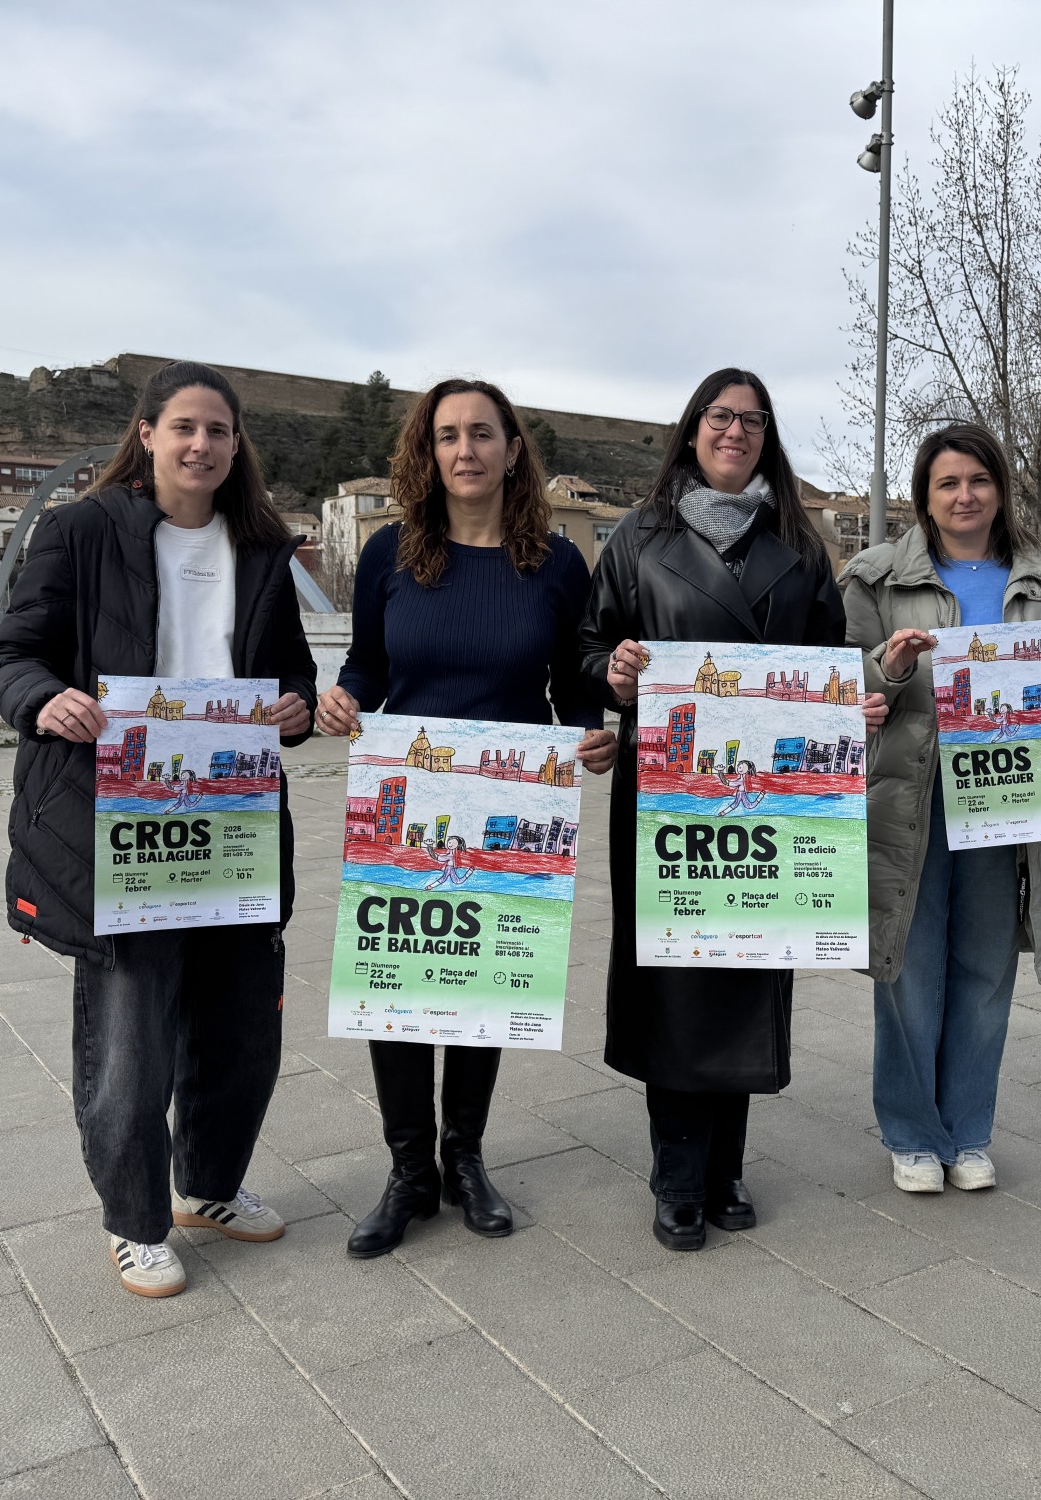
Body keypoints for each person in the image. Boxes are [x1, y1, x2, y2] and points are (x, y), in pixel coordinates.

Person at [0, 361, 317, 1297]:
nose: (201, 445)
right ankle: (133, 1221)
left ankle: (208, 1188)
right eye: (184, 427)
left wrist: (293, 707)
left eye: (218, 430)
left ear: (236, 444)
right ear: (146, 434)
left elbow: (289, 671)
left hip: (235, 816)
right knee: (131, 1032)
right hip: (115, 816)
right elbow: (14, 654)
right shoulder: (82, 531)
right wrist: (44, 699)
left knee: (241, 1024)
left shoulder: (259, 550)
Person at [580, 367, 886, 1251]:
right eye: (722, 416)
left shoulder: (797, 540)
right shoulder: (638, 536)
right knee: (676, 981)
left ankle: (727, 1165)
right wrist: (614, 672)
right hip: (668, 797)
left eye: (753, 421)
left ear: (767, 437)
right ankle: (679, 1170)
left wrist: (848, 705)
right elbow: (588, 644)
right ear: (693, 427)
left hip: (772, 803)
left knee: (750, 962)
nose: (736, 432)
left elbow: (831, 658)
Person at [315, 378, 616, 1258]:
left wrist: (593, 735)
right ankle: (409, 1172)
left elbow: (575, 682)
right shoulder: (390, 555)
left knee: (481, 980)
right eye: (447, 435)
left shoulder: (557, 563)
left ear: (513, 449)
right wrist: (343, 698)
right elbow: (370, 664)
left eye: (483, 433)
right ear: (428, 451)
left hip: (512, 801)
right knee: (398, 983)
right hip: (405, 797)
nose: (466, 450)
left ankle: (466, 1158)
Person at [844, 422, 1041, 1195]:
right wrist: (887, 667)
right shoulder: (872, 578)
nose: (965, 496)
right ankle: (911, 1132)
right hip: (908, 799)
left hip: (1008, 802)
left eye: (978, 480)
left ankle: (967, 1132)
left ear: (999, 488)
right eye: (947, 484)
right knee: (907, 966)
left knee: (984, 967)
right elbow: (842, 691)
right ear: (924, 499)